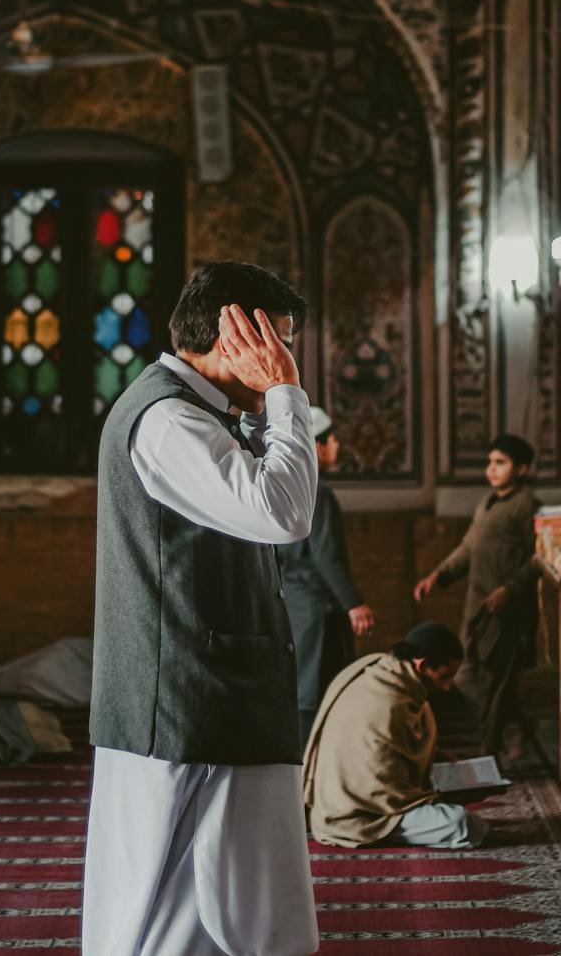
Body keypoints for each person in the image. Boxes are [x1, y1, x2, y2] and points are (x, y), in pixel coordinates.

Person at [84, 261, 320, 956]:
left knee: (225, 910)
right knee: (163, 915)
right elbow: (283, 513)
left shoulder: (195, 413)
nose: (284, 359)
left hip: (216, 704)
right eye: (275, 342)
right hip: (185, 709)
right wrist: (285, 394)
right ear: (233, 335)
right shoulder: (165, 421)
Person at [302, 621, 488, 849]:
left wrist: (437, 756)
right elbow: (380, 789)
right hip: (356, 815)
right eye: (445, 676)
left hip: (361, 801)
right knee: (462, 824)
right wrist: (438, 796)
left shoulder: (383, 671)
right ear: (422, 665)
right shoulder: (388, 702)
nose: (447, 686)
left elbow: (387, 750)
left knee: (457, 818)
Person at [413, 433, 541, 759]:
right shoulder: (488, 504)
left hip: (509, 612)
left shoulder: (527, 506)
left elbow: (539, 559)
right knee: (478, 680)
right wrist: (438, 576)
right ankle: (510, 741)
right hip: (480, 607)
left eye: (501, 463)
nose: (492, 469)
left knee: (495, 685)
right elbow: (468, 548)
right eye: (490, 462)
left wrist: (509, 590)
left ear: (522, 468)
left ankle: (490, 755)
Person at [282, 406, 375, 750]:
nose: (337, 448)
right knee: (316, 694)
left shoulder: (285, 483)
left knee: (306, 690)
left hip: (294, 603)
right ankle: (311, 785)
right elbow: (326, 556)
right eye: (333, 441)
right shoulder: (317, 491)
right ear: (317, 446)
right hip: (316, 609)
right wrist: (354, 603)